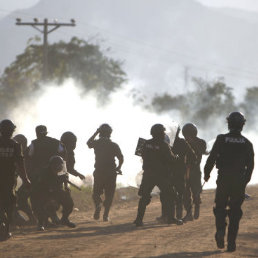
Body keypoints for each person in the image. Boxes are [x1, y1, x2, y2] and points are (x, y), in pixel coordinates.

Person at [204, 112, 254, 252]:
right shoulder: (247, 143)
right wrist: (243, 183)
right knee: (235, 212)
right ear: (242, 125)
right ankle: (231, 243)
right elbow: (250, 167)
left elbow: (211, 158)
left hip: (223, 179)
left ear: (229, 123)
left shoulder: (221, 139)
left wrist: (207, 174)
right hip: (238, 181)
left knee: (220, 208)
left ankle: (220, 230)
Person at [133, 124, 177, 227]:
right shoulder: (164, 145)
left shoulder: (145, 143)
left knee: (144, 197)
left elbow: (141, 155)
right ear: (161, 133)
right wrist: (177, 157)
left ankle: (138, 220)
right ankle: (171, 218)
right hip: (161, 175)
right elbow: (171, 159)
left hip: (148, 174)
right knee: (171, 195)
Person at [0, 120, 31, 241]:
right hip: (8, 181)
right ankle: (6, 231)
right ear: (12, 131)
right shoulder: (15, 145)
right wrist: (26, 179)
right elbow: (20, 164)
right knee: (9, 205)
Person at [87, 124, 124, 221]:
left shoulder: (97, 143)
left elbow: (88, 143)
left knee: (96, 193)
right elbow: (121, 158)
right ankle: (105, 215)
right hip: (111, 172)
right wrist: (119, 167)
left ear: (100, 133)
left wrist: (96, 132)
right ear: (110, 133)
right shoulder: (113, 145)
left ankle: (98, 204)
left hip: (99, 171)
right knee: (109, 194)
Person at [31, 156, 75, 231]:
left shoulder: (62, 172)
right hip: (42, 192)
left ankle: (64, 219)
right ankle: (41, 223)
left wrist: (66, 187)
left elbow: (65, 179)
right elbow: (39, 186)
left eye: (60, 165)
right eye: (56, 165)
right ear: (51, 165)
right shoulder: (44, 173)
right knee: (41, 205)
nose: (59, 167)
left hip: (56, 191)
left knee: (69, 202)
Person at [182, 123, 207, 222]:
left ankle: (197, 204)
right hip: (184, 170)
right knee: (185, 192)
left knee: (196, 191)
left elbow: (201, 151)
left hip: (195, 170)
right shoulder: (183, 142)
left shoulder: (200, 142)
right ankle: (189, 213)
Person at [13, 134, 36, 224]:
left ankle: (31, 218)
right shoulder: (19, 155)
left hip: (33, 182)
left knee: (19, 198)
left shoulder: (27, 156)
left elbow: (24, 172)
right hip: (29, 182)